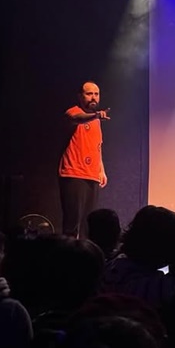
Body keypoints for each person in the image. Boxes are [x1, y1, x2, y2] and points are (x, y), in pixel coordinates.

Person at [59, 81, 110, 238]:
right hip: (74, 174)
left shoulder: (96, 121)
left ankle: (85, 257)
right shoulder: (73, 112)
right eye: (89, 94)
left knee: (89, 223)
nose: (93, 97)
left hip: (92, 175)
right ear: (80, 96)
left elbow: (97, 146)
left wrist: (101, 170)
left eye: (96, 94)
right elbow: (79, 118)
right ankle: (68, 256)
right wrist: (95, 115)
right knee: (72, 223)